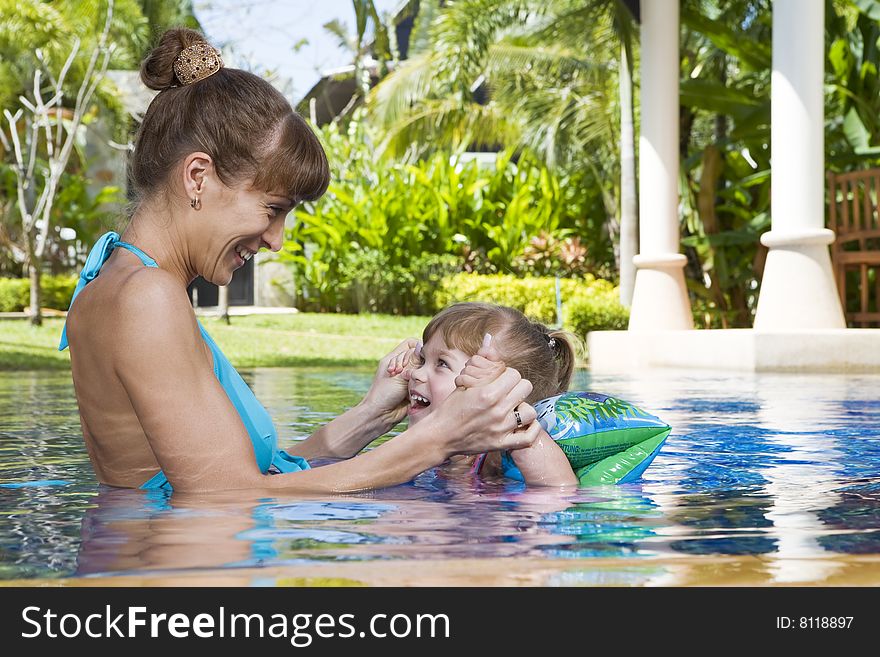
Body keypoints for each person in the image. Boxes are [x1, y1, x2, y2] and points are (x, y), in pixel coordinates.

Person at [59, 28, 540, 493]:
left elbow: (253, 474)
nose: (276, 240)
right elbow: (226, 497)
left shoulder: (116, 280)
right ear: (198, 177)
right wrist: (437, 439)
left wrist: (374, 413)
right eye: (273, 210)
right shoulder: (147, 297)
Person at [406, 302, 580, 487]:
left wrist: (510, 414)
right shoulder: (432, 452)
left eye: (442, 363)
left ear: (499, 389)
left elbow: (561, 490)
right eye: (422, 359)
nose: (415, 373)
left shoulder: (496, 457)